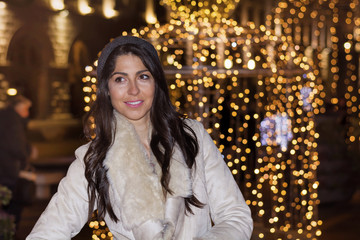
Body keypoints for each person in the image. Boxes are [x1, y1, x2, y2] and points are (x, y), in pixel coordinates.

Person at [27, 36, 253, 239]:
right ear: (107, 88)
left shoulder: (191, 137)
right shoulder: (94, 158)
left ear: (156, 83)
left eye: (143, 76)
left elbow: (235, 216)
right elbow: (47, 233)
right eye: (120, 79)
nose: (133, 90)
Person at [0, 95, 34, 226]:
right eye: (26, 109)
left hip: (4, 168)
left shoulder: (4, 116)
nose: (27, 113)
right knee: (13, 203)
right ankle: (9, 231)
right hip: (9, 170)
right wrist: (27, 153)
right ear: (18, 108)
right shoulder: (13, 121)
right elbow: (17, 147)